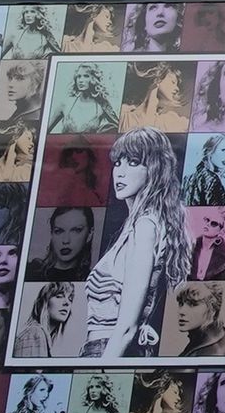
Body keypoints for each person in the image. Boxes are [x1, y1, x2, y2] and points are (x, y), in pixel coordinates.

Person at [63, 132, 185, 359]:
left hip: (108, 351)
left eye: (133, 162)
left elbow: (127, 328)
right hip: (103, 348)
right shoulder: (136, 225)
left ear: (155, 169)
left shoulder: (145, 226)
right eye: (118, 162)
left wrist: (99, 372)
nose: (120, 171)